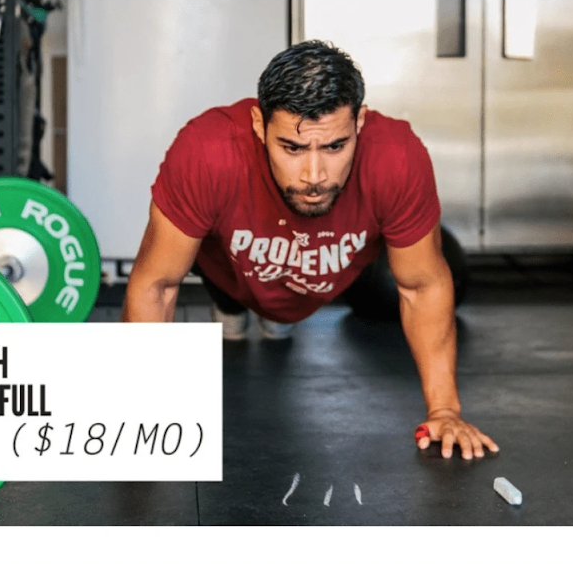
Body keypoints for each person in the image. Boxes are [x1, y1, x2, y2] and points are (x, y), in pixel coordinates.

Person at [120, 40, 498, 460]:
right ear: (259, 126)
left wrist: (444, 411)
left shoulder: (397, 157)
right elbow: (157, 283)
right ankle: (231, 306)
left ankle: (282, 307)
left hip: (327, 275)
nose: (314, 175)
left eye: (334, 147)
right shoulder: (208, 151)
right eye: (292, 148)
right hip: (232, 268)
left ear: (360, 123)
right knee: (215, 271)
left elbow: (422, 286)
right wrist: (142, 413)